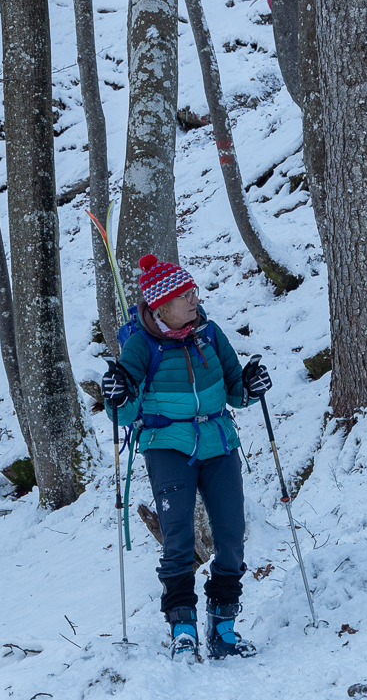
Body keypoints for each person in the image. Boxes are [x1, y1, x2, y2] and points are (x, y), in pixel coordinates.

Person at [100, 255, 273, 661]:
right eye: (185, 296)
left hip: (219, 442)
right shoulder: (141, 345)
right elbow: (123, 412)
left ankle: (223, 629)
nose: (195, 300)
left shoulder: (209, 335)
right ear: (162, 306)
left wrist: (252, 386)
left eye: (194, 292)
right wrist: (117, 395)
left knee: (231, 536)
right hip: (167, 447)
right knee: (177, 539)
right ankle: (183, 630)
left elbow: (235, 390)